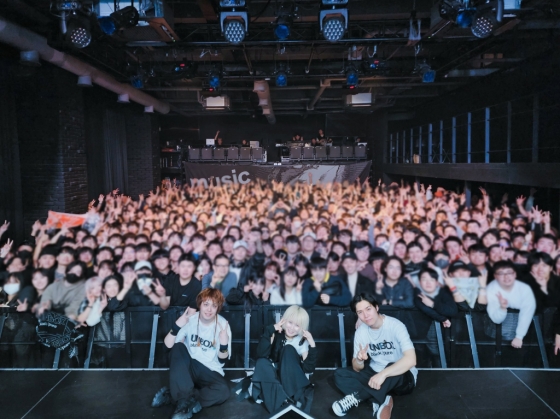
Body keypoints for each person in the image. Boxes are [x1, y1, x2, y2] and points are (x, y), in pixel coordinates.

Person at [332, 293, 417, 418]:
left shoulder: (396, 326)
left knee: (393, 365)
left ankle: (358, 397)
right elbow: (356, 368)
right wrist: (359, 360)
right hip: (374, 374)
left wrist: (383, 374)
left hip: (401, 377)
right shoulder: (361, 332)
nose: (365, 315)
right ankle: (382, 398)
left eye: (368, 309)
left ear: (376, 307)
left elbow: (411, 360)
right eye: (360, 312)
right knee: (339, 374)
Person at [151, 288, 231, 419]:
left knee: (223, 392)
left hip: (210, 370)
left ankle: (175, 397)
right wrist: (177, 325)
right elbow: (167, 347)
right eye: (206, 304)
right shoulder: (190, 320)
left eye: (214, 306)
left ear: (218, 308)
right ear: (200, 304)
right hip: (189, 367)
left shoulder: (223, 325)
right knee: (178, 347)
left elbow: (222, 360)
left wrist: (223, 344)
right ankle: (184, 406)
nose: (209, 309)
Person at [251, 305, 317, 413]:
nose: (292, 328)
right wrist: (269, 331)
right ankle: (284, 401)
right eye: (290, 322)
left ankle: (284, 400)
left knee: (288, 349)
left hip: (291, 380)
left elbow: (308, 369)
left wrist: (312, 344)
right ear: (284, 320)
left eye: (297, 325)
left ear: (302, 327)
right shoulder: (275, 333)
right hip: (275, 379)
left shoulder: (301, 341)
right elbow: (261, 354)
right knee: (261, 362)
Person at [486, 260, 536, 349]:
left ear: (515, 274)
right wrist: (502, 308)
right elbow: (496, 319)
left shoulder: (525, 288)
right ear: (495, 276)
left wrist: (519, 336)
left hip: (523, 335)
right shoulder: (491, 288)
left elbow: (527, 312)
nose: (506, 276)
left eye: (509, 273)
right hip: (494, 335)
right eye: (501, 273)